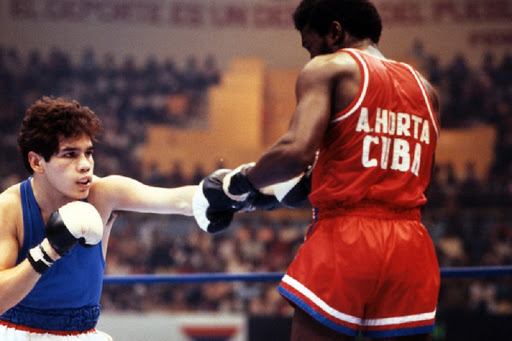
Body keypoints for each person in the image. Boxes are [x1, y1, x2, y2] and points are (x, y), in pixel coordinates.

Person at [196, 0, 441, 339]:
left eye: (309, 46)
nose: (310, 58)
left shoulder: (330, 68)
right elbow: (401, 172)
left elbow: (296, 152)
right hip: (411, 244)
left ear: (335, 32)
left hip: (348, 238)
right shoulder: (427, 91)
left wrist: (239, 184)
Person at [0, 96, 197, 340]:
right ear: (37, 162)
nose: (85, 165)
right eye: (70, 155)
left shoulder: (103, 194)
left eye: (88, 153)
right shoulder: (9, 207)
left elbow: (177, 200)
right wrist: (47, 252)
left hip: (84, 333)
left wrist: (234, 190)